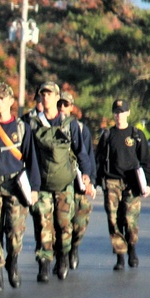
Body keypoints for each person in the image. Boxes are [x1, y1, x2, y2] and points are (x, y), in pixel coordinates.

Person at [24, 82, 95, 282]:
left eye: (49, 94)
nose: (46, 98)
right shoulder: (32, 123)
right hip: (42, 185)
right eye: (43, 94)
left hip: (65, 184)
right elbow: (27, 153)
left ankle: (63, 256)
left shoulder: (69, 124)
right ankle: (44, 263)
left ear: (57, 97)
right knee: (43, 223)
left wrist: (86, 174)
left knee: (64, 224)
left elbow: (81, 151)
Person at [0, 85, 40, 291]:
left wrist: (34, 188)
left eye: (2, 99)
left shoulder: (22, 128)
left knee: (15, 229)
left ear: (11, 102)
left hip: (15, 183)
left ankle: (12, 260)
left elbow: (31, 159)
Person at [95, 98, 150, 270]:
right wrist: (96, 181)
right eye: (116, 112)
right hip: (112, 182)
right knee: (113, 220)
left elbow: (145, 161)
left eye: (122, 112)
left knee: (129, 219)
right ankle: (120, 255)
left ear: (128, 113)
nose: (119, 115)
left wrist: (147, 184)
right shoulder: (107, 135)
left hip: (132, 183)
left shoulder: (136, 135)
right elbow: (98, 160)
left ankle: (132, 249)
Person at [59, 91, 96, 270]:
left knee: (80, 221)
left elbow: (88, 155)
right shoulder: (51, 126)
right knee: (61, 221)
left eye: (65, 104)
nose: (62, 108)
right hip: (60, 182)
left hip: (79, 181)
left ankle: (74, 247)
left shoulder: (80, 129)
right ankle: (62, 255)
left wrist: (91, 181)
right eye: (59, 104)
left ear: (71, 107)